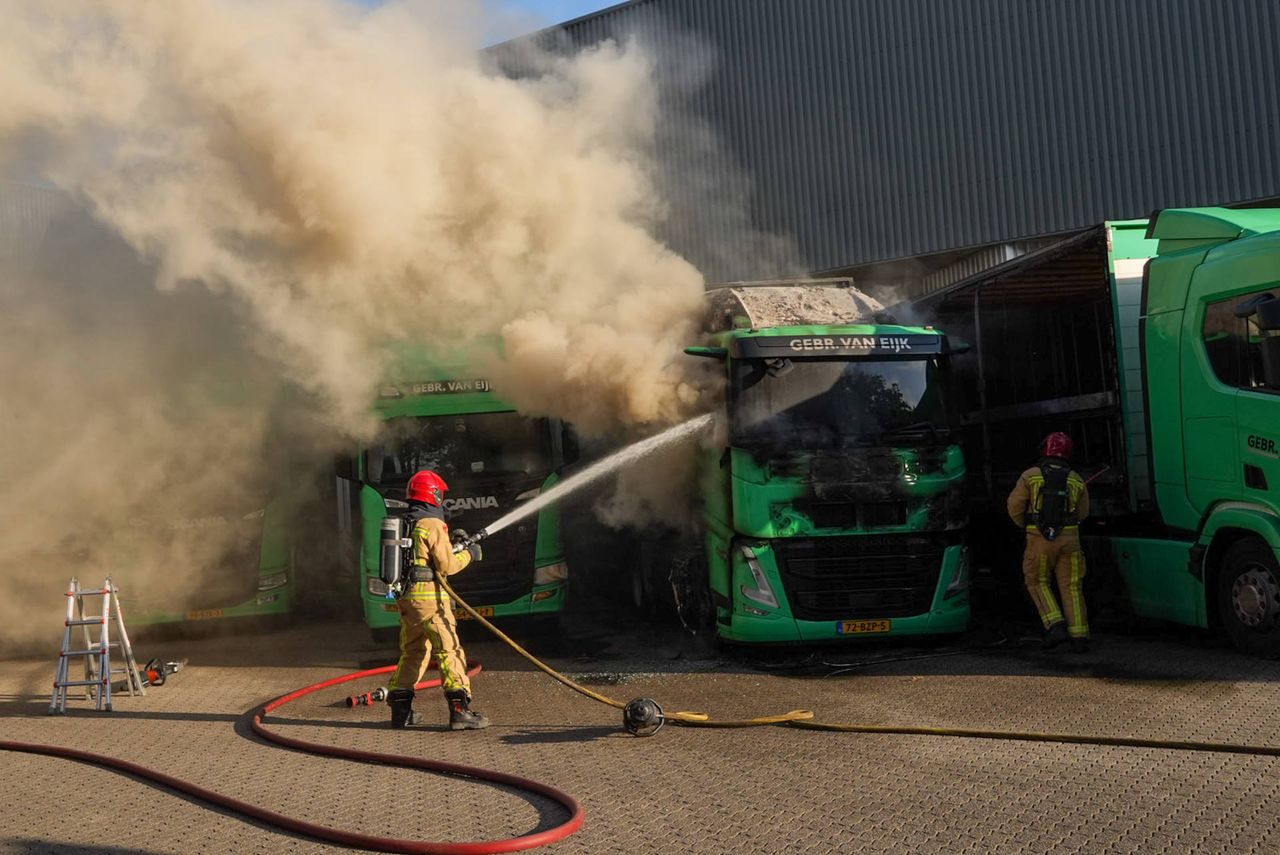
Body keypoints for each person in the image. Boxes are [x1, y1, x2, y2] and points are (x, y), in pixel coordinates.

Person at [386, 469, 489, 730]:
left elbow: (422, 558)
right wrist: (470, 555)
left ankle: (400, 712)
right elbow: (446, 565)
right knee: (449, 649)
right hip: (431, 600)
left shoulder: (408, 521)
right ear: (433, 495)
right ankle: (459, 711)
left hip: (408, 600)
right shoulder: (431, 524)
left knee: (413, 652)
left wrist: (454, 542)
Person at [1006, 432, 1091, 653]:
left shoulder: (1031, 475)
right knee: (1072, 586)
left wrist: (1026, 526)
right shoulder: (1076, 479)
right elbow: (1083, 513)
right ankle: (1080, 636)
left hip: (1039, 540)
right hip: (1070, 541)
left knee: (1037, 581)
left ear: (1045, 449)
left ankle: (1054, 625)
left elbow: (1014, 506)